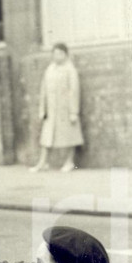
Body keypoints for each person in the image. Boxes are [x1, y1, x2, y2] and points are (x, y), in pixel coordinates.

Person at [31, 43, 83, 173]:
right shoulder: (50, 69)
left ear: (66, 55)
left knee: (70, 136)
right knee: (46, 138)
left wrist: (73, 112)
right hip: (52, 111)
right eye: (54, 53)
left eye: (60, 53)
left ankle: (69, 161)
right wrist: (43, 110)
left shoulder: (70, 70)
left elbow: (74, 91)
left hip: (65, 109)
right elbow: (44, 90)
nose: (57, 56)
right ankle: (42, 162)